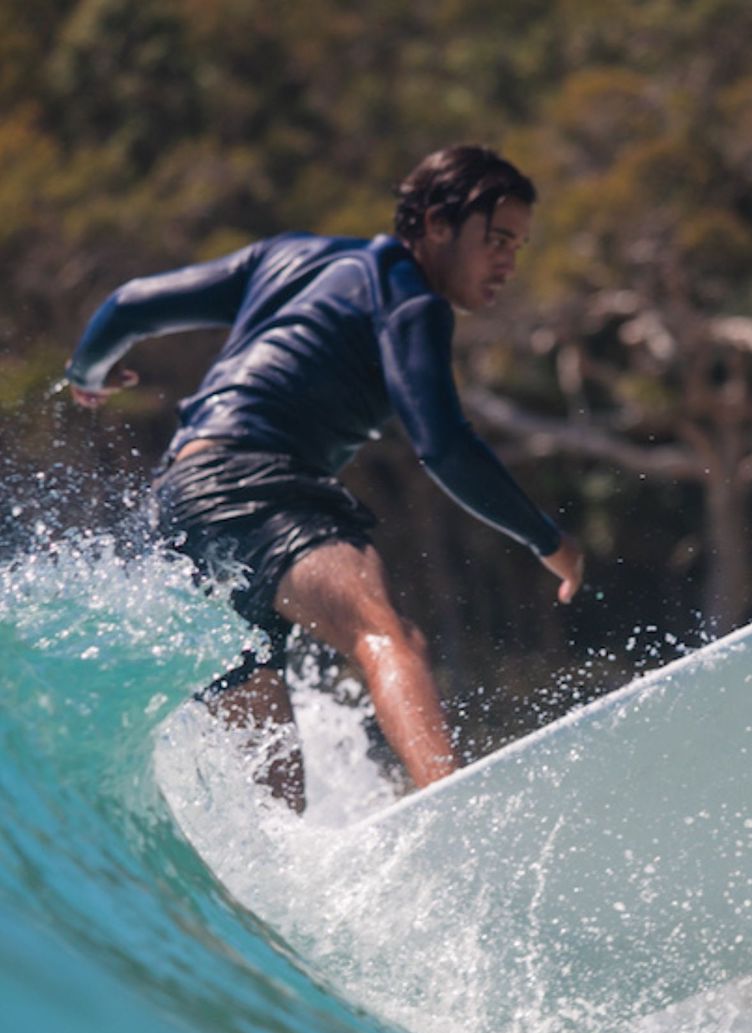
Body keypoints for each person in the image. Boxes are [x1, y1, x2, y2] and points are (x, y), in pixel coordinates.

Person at [65, 144, 584, 811]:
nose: (509, 261)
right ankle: (458, 811)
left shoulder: (284, 257)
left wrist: (87, 374)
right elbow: (444, 444)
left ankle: (267, 902)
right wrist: (546, 540)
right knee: (385, 634)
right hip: (256, 480)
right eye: (498, 240)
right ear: (434, 224)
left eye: (519, 244)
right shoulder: (412, 299)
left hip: (180, 504)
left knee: (278, 797)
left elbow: (130, 305)